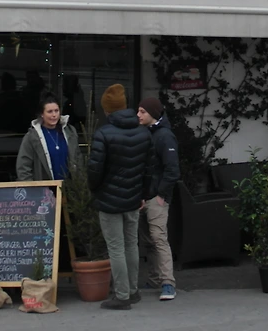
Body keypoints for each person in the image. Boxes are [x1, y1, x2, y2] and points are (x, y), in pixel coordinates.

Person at [87, 83, 154, 310]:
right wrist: (143, 193)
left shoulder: (103, 134)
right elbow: (148, 168)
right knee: (131, 245)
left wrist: (95, 190)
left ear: (107, 109)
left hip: (109, 200)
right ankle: (133, 291)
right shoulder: (143, 132)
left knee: (115, 247)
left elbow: (95, 170)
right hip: (134, 198)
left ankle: (122, 296)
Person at [136, 97, 179, 301]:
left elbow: (172, 169)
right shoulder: (146, 133)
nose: (138, 115)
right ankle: (154, 279)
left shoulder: (165, 136)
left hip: (156, 197)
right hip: (145, 197)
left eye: (142, 111)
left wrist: (161, 195)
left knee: (159, 239)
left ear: (153, 113)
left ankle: (168, 283)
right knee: (149, 241)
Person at [16, 93, 81, 181]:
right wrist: (32, 188)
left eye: (56, 111)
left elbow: (78, 159)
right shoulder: (31, 137)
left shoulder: (70, 131)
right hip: (44, 188)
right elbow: (23, 168)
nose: (54, 115)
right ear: (42, 114)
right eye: (50, 112)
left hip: (69, 187)